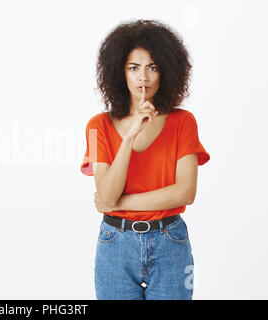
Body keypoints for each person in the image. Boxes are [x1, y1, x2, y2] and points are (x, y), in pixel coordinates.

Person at [80, 19, 210, 300]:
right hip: (115, 246)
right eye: (134, 68)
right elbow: (107, 193)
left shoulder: (183, 122)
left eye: (153, 67)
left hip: (170, 244)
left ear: (166, 71)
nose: (143, 77)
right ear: (119, 72)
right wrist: (129, 137)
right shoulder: (96, 126)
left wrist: (117, 203)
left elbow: (185, 192)